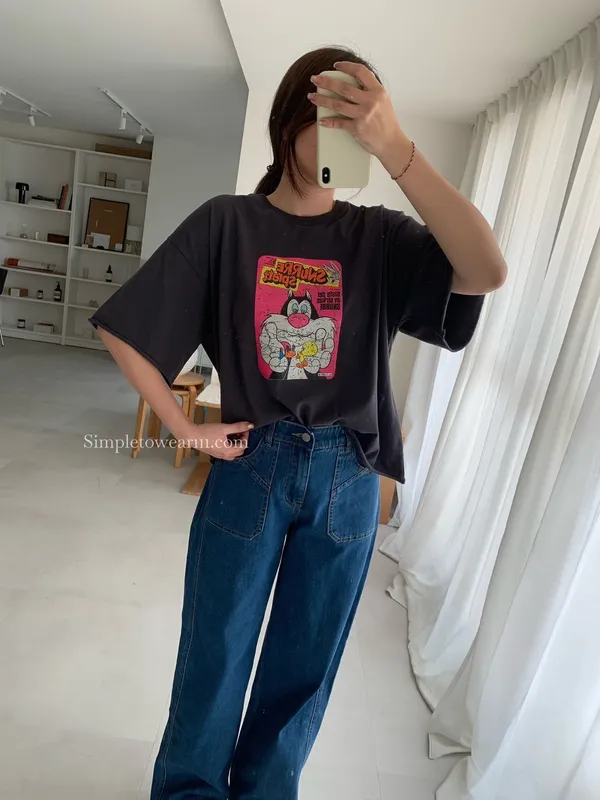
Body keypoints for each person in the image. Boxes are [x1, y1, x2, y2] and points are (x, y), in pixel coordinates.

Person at [90, 46, 506, 800]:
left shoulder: (380, 236)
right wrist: (183, 428)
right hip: (253, 463)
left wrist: (400, 150)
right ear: (290, 121)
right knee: (215, 653)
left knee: (304, 669)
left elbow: (485, 269)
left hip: (348, 477)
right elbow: (125, 329)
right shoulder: (228, 223)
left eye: (363, 120)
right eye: (335, 117)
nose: (352, 136)